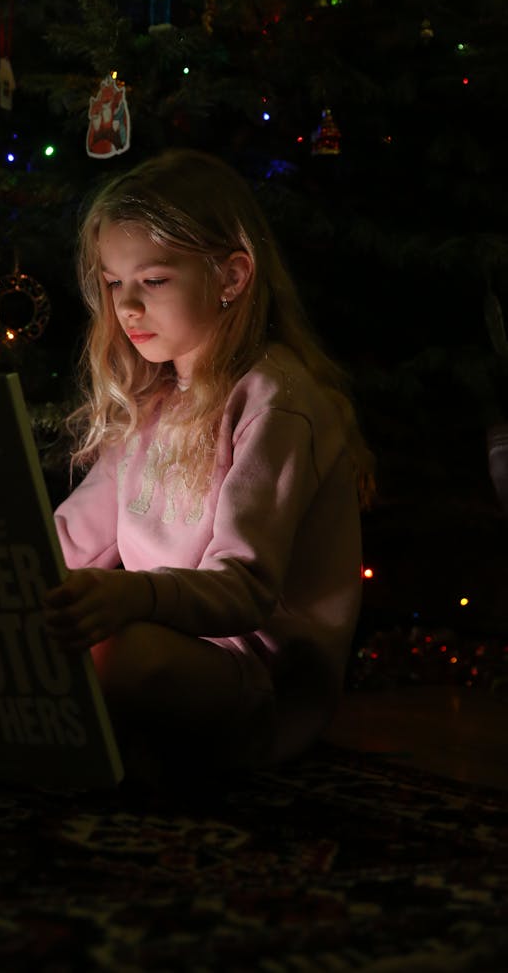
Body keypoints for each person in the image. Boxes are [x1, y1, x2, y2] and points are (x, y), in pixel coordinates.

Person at [42, 147, 374, 777]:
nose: (127, 306)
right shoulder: (153, 401)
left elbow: (244, 590)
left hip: (255, 683)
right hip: (166, 647)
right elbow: (68, 540)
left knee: (121, 653)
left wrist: (131, 596)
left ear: (231, 277)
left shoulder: (276, 400)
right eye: (114, 284)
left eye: (154, 280)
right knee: (43, 633)